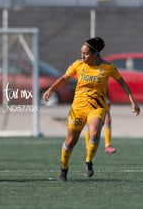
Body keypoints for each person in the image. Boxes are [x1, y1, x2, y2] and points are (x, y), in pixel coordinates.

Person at [43, 37, 140, 181]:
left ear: (96, 54)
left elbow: (122, 83)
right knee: (71, 141)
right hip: (78, 108)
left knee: (94, 133)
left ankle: (88, 160)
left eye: (86, 53)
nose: (82, 56)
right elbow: (64, 78)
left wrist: (132, 102)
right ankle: (64, 168)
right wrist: (50, 89)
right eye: (82, 53)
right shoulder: (78, 65)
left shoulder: (108, 68)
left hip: (97, 107)